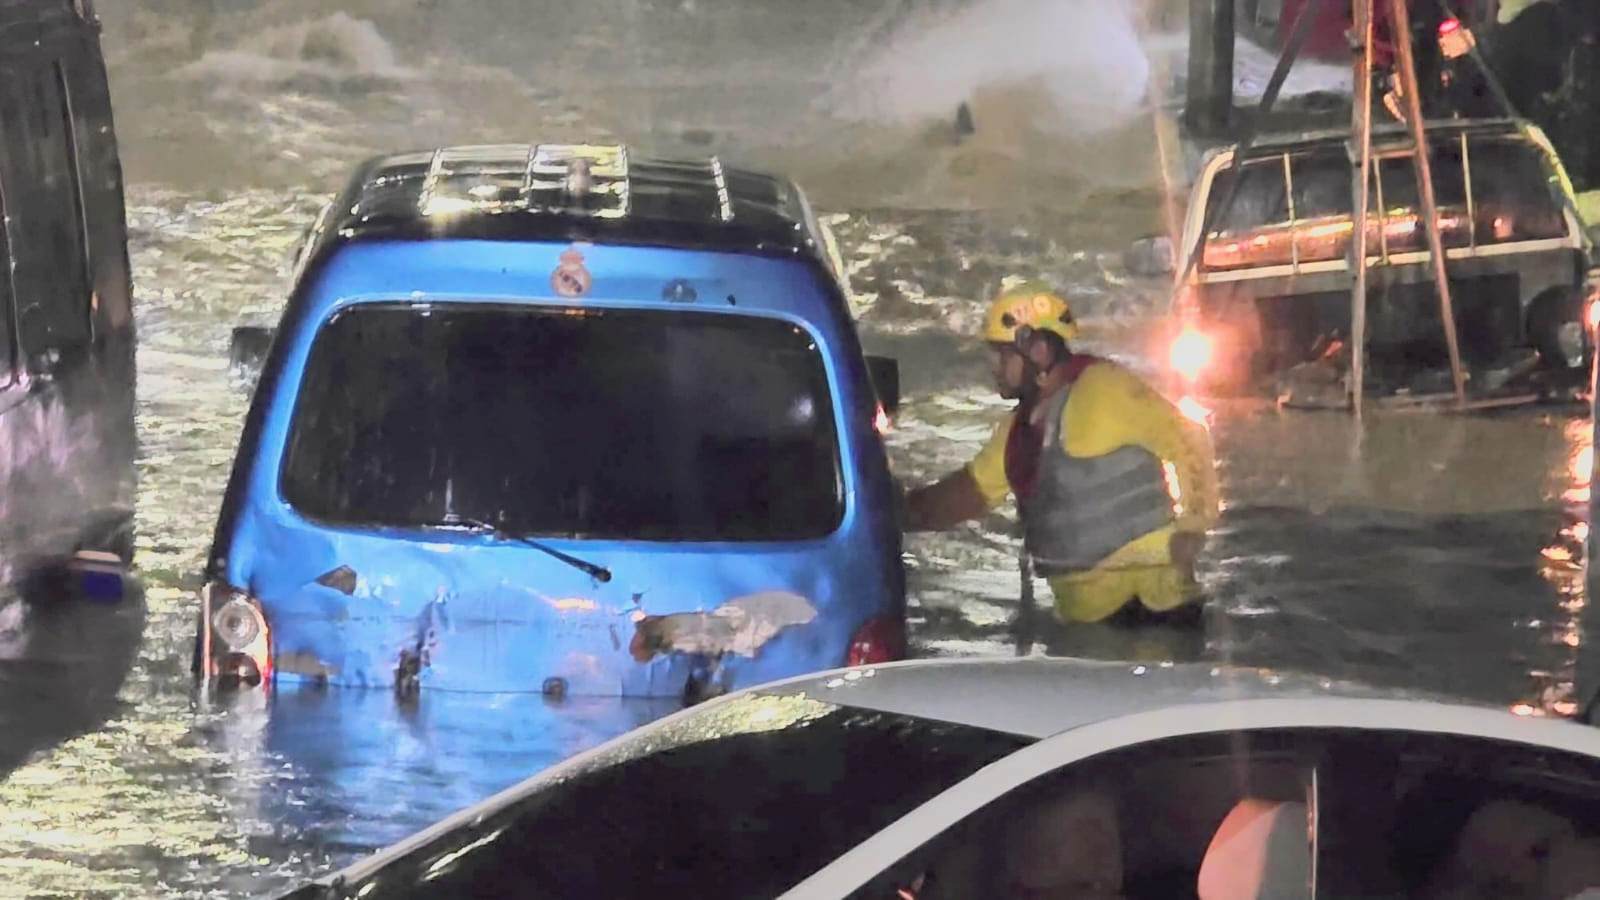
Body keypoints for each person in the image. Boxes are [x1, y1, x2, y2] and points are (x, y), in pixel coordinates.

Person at [904, 281, 1219, 626]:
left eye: (1003, 355)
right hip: (1085, 621)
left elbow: (1190, 439)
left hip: (1156, 607)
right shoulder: (1016, 433)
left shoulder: (1104, 388)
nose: (994, 367)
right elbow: (964, 496)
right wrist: (892, 513)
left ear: (1037, 351)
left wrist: (1193, 526)